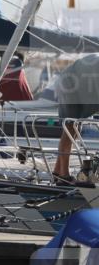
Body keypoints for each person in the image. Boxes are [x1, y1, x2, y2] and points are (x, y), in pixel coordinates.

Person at [53, 53, 99, 182]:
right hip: (70, 82)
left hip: (81, 82)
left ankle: (57, 171)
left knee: (74, 129)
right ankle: (64, 176)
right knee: (70, 129)